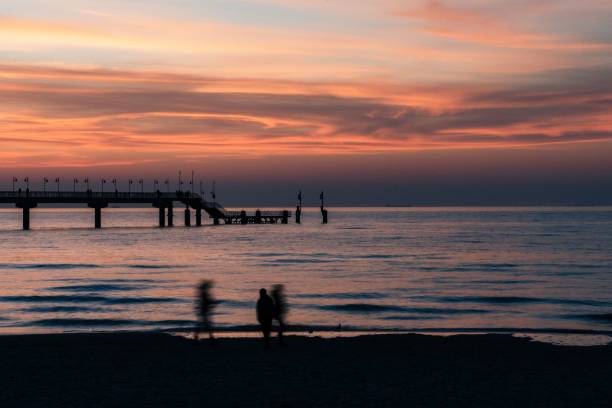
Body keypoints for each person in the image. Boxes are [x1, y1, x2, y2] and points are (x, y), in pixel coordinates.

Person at [194, 280, 217, 344]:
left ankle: (197, 337)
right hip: (204, 310)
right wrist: (212, 302)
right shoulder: (204, 293)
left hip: (203, 310)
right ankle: (211, 338)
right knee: (206, 325)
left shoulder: (203, 293)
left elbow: (204, 301)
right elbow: (207, 301)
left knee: (202, 324)